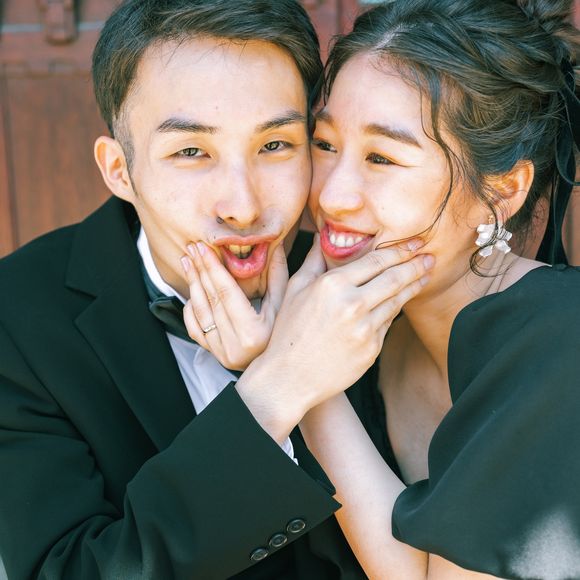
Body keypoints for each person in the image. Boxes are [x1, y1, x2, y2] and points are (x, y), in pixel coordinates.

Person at [0, 0, 424, 578]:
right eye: (191, 152)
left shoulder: (367, 282)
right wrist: (274, 391)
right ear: (119, 169)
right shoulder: (17, 316)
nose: (243, 208)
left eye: (275, 145)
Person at [182, 0, 580, 578]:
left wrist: (295, 369)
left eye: (382, 158)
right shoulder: (362, 321)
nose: (332, 195)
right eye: (324, 144)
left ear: (501, 191)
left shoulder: (561, 341)